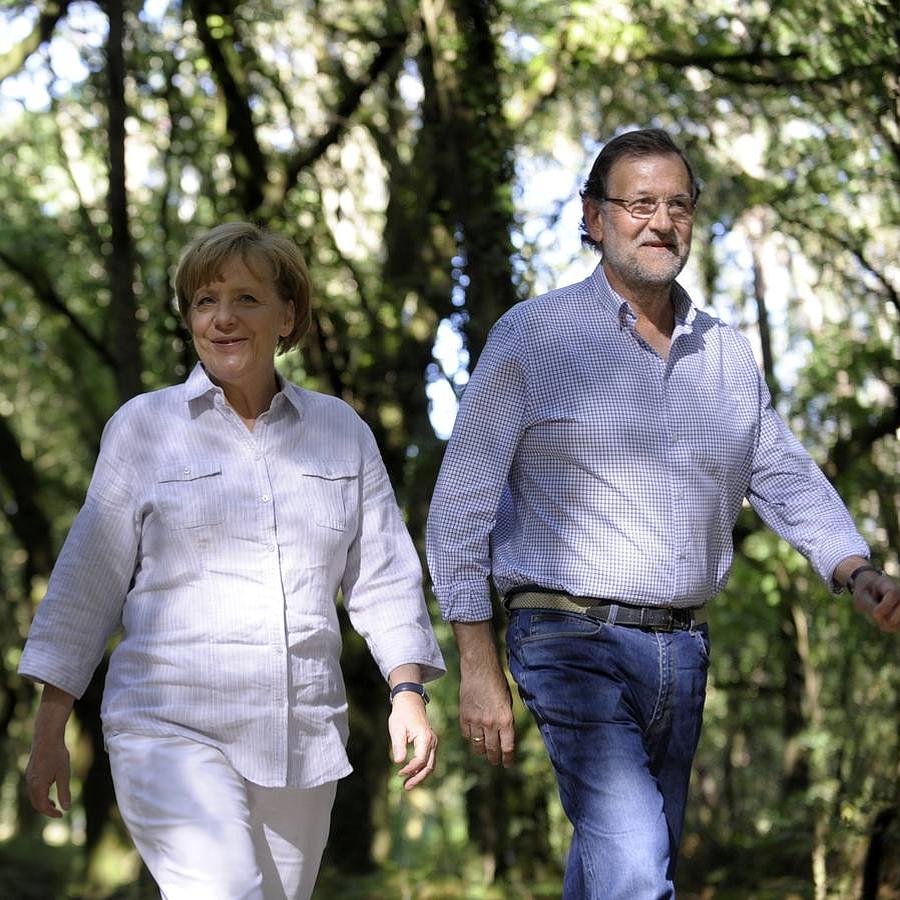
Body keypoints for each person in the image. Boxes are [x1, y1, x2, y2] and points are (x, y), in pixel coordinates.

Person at [425, 128, 900, 898]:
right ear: (593, 218)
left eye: (678, 205)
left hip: (682, 652)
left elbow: (780, 472)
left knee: (617, 869)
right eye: (639, 203)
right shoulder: (533, 336)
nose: (660, 221)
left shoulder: (725, 354)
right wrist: (476, 663)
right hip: (566, 636)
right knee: (637, 871)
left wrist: (855, 568)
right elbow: (459, 509)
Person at [20, 221, 445, 900]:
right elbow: (86, 582)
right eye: (203, 301)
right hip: (169, 725)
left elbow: (384, 576)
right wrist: (48, 731)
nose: (220, 319)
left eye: (245, 299)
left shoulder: (341, 433)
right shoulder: (144, 427)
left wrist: (408, 692)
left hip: (302, 736)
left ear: (288, 314)